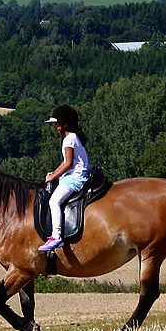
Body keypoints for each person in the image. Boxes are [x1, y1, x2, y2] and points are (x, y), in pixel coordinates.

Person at [40, 104, 92, 251]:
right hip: (76, 174)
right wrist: (53, 173)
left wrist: (53, 177)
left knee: (54, 201)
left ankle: (56, 236)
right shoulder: (73, 137)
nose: (54, 126)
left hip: (75, 177)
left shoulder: (69, 140)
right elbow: (65, 162)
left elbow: (68, 164)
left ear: (64, 124)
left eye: (56, 123)